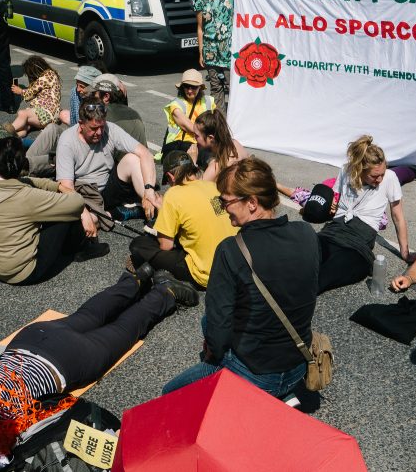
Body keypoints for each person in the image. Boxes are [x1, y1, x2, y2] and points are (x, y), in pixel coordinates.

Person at [0, 265, 196, 463]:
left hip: (64, 361)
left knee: (123, 330)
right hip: (29, 340)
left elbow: (7, 455)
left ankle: (165, 292)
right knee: (89, 314)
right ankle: (137, 278)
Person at [162, 157, 318, 398]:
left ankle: (248, 397)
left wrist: (213, 351)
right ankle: (283, 396)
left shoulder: (232, 250)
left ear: (252, 203)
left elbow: (218, 331)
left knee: (169, 393)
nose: (223, 209)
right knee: (211, 321)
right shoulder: (307, 234)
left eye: (226, 202)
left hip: (256, 374)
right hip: (298, 365)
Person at [0, 136, 111, 284]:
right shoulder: (27, 196)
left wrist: (57, 186)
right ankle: (82, 248)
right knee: (64, 212)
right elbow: (77, 202)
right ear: (22, 165)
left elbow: (26, 181)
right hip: (21, 273)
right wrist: (79, 206)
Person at [315, 135, 412, 292]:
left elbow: (398, 216)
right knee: (303, 258)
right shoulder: (346, 170)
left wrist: (405, 252)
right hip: (332, 233)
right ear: (359, 170)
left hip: (357, 246)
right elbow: (333, 201)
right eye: (374, 176)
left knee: (324, 275)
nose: (380, 179)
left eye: (382, 173)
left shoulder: (390, 178)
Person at [128, 150, 237, 287]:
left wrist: (162, 211)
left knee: (139, 244)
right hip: (234, 267)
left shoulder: (173, 194)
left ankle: (166, 279)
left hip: (206, 273)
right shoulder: (213, 186)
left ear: (170, 177)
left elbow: (166, 246)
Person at [56, 95, 162, 219]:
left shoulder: (110, 129)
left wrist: (148, 192)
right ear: (81, 124)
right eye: (94, 128)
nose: (100, 132)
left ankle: (154, 209)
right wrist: (83, 213)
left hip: (108, 189)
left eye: (102, 127)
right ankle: (115, 213)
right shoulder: (67, 140)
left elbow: (146, 154)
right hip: (85, 194)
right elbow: (66, 187)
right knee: (86, 222)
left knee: (133, 159)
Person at [195, 0, 234, 112]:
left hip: (228, 50)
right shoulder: (201, 1)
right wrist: (201, 52)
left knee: (231, 86)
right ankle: (220, 124)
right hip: (210, 51)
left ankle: (235, 123)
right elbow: (200, 28)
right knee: (216, 87)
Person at [160, 69, 216, 159]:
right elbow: (193, 128)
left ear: (200, 88)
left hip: (203, 142)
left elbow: (217, 124)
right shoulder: (176, 105)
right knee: (207, 157)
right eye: (186, 86)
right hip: (179, 144)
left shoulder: (209, 101)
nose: (189, 91)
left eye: (193, 87)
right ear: (182, 87)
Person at [8, 55, 61, 137]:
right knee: (25, 126)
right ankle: (14, 137)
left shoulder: (47, 76)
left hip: (47, 113)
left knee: (22, 114)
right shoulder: (50, 75)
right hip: (49, 114)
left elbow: (31, 92)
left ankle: (3, 133)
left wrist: (21, 91)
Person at [91, 73, 147, 146]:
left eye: (93, 94)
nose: (91, 98)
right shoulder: (135, 114)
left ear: (106, 97)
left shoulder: (102, 116)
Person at [193, 109, 248, 182]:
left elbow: (195, 189)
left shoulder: (217, 166)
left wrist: (193, 161)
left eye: (197, 135)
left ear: (211, 138)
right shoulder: (234, 143)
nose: (194, 138)